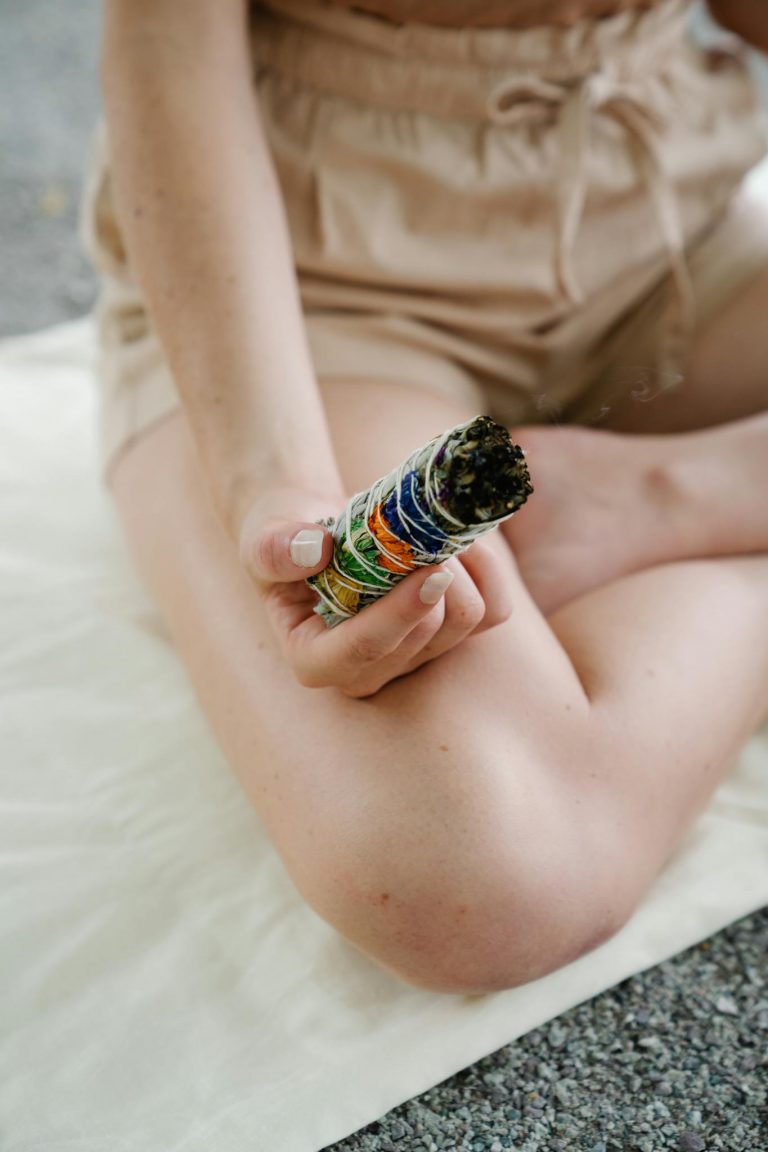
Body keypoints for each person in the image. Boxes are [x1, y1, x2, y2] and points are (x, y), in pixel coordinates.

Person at [79, 0, 768, 995]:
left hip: (657, 227)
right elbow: (171, 69)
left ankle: (685, 493)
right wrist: (280, 495)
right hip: (312, 291)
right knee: (481, 878)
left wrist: (686, 496)